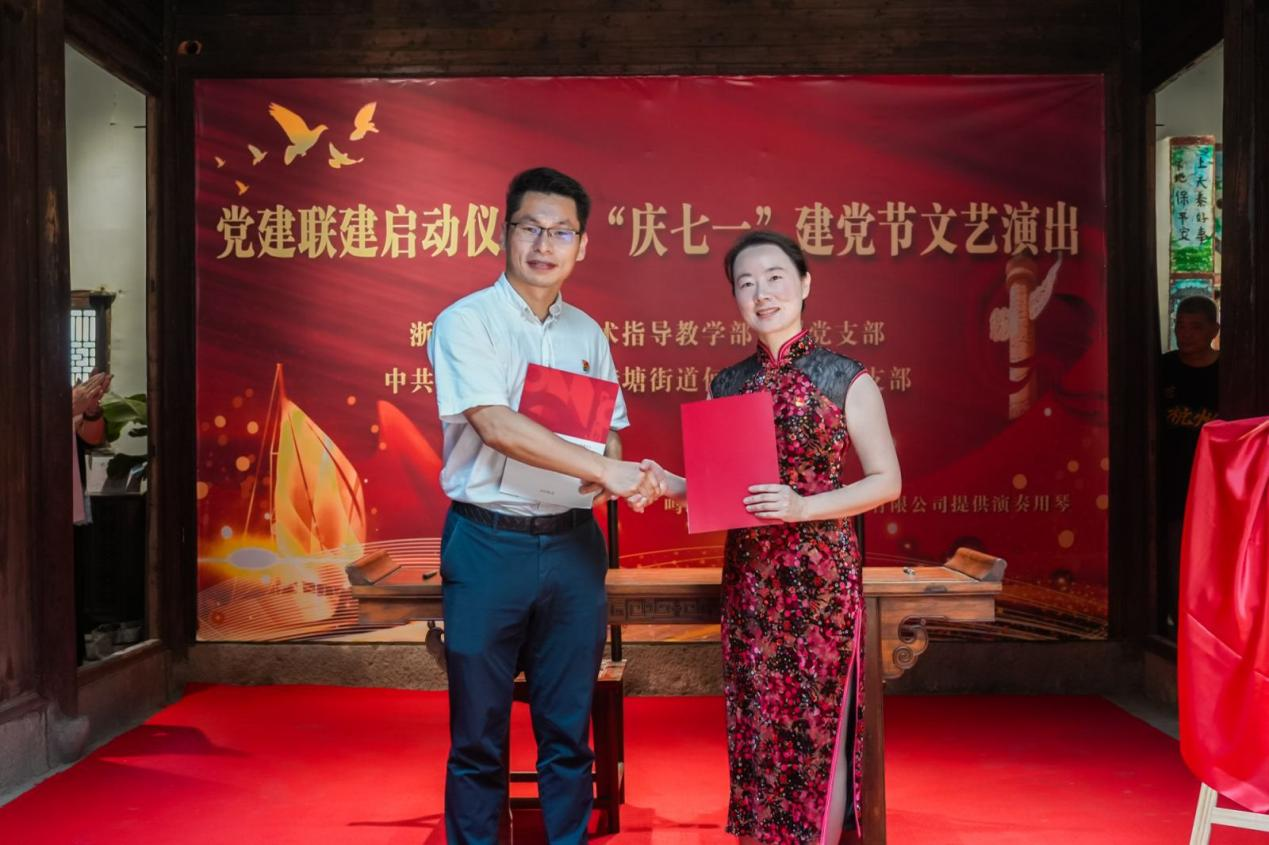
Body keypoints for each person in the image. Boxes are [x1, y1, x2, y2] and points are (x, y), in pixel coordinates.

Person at [640, 231, 901, 843]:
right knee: (758, 721)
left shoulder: (844, 377)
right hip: (751, 581)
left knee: (817, 724)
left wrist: (803, 506)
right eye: (747, 283)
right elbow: (722, 491)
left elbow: (886, 481)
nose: (762, 293)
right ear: (735, 297)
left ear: (805, 284)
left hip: (820, 579)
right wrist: (667, 483)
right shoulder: (726, 384)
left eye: (775, 277)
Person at [426, 167, 660, 845]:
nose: (543, 243)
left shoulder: (587, 332)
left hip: (571, 546)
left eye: (560, 232)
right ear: (504, 233)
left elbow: (609, 430)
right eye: (530, 227)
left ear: (581, 246)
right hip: (486, 542)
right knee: (478, 736)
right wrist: (606, 469)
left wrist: (612, 464)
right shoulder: (466, 321)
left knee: (567, 730)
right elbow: (495, 424)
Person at [1158, 295, 1219, 633]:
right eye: (1181, 325)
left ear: (1214, 330)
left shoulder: (1230, 371)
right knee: (1174, 553)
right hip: (1171, 480)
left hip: (1215, 484)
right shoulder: (1162, 368)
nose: (1186, 334)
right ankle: (1177, 620)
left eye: (1196, 327)